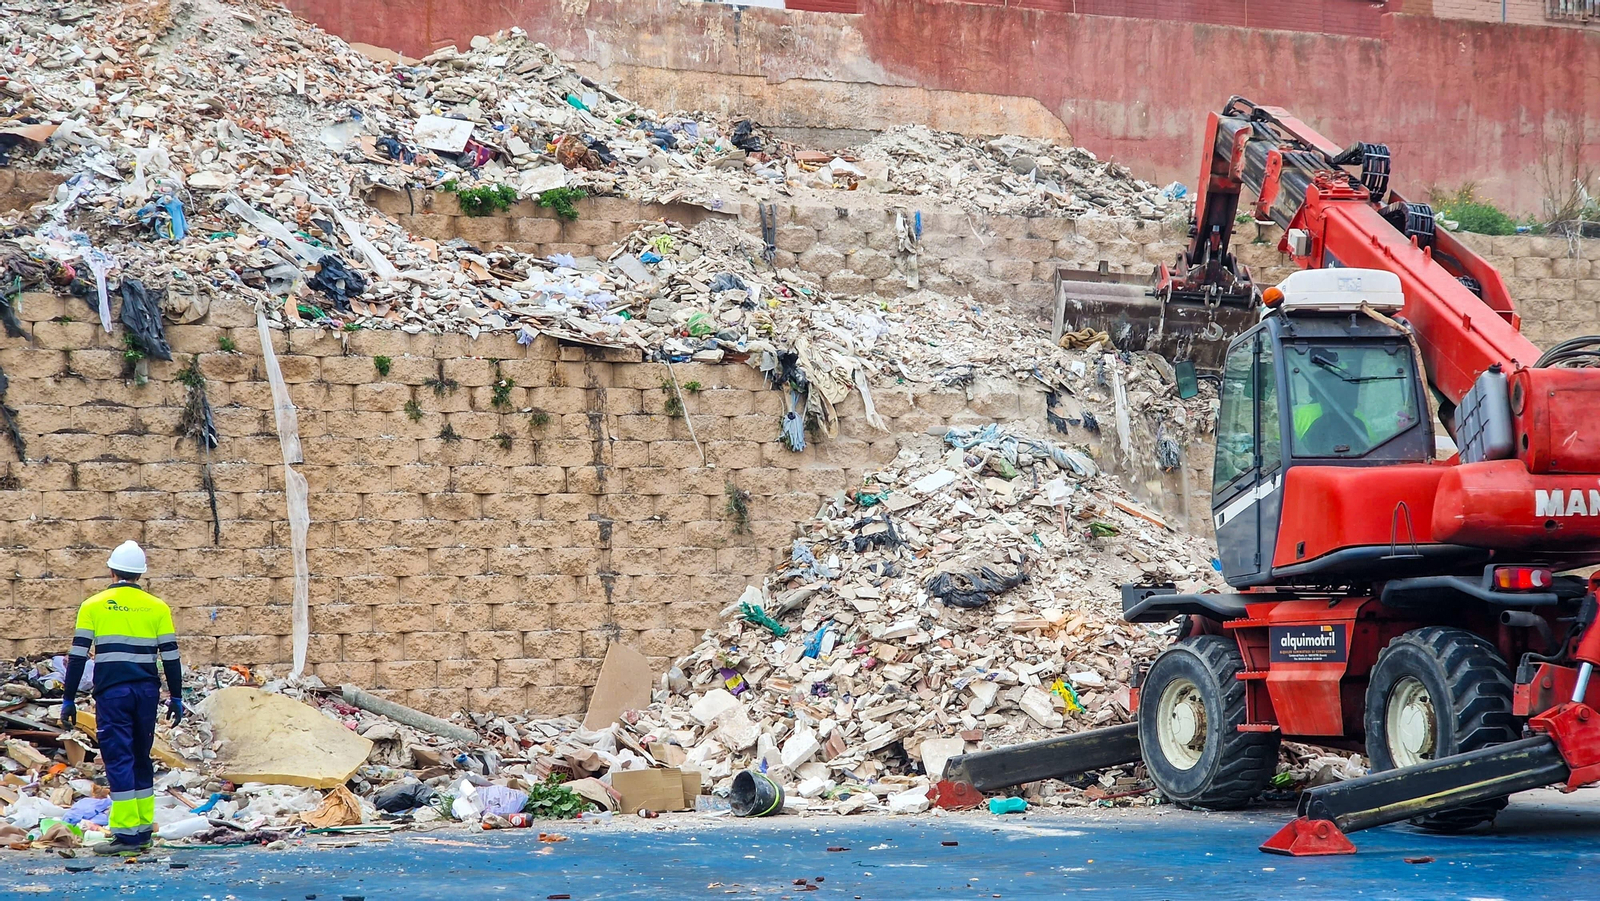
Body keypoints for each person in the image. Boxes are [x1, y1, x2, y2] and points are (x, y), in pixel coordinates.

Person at [60, 541, 184, 856]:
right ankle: (142, 829)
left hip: (113, 692)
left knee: (118, 757)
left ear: (112, 570)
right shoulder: (158, 607)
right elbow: (170, 657)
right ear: (141, 574)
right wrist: (177, 696)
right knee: (141, 755)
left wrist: (69, 698)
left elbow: (77, 657)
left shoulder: (94, 605)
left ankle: (126, 835)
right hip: (146, 691)